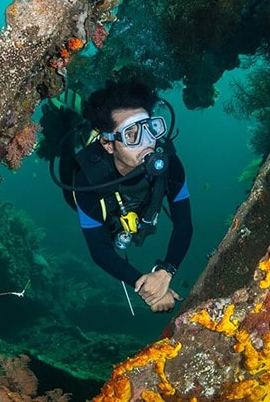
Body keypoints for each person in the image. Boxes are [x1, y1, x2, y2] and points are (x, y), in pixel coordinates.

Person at [71, 79, 193, 313]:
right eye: (131, 135)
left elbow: (184, 225)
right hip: (100, 194)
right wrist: (149, 288)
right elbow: (100, 251)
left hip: (133, 207)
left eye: (150, 129)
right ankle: (70, 116)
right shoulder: (87, 181)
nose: (146, 142)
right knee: (69, 177)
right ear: (108, 144)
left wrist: (165, 273)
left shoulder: (170, 164)